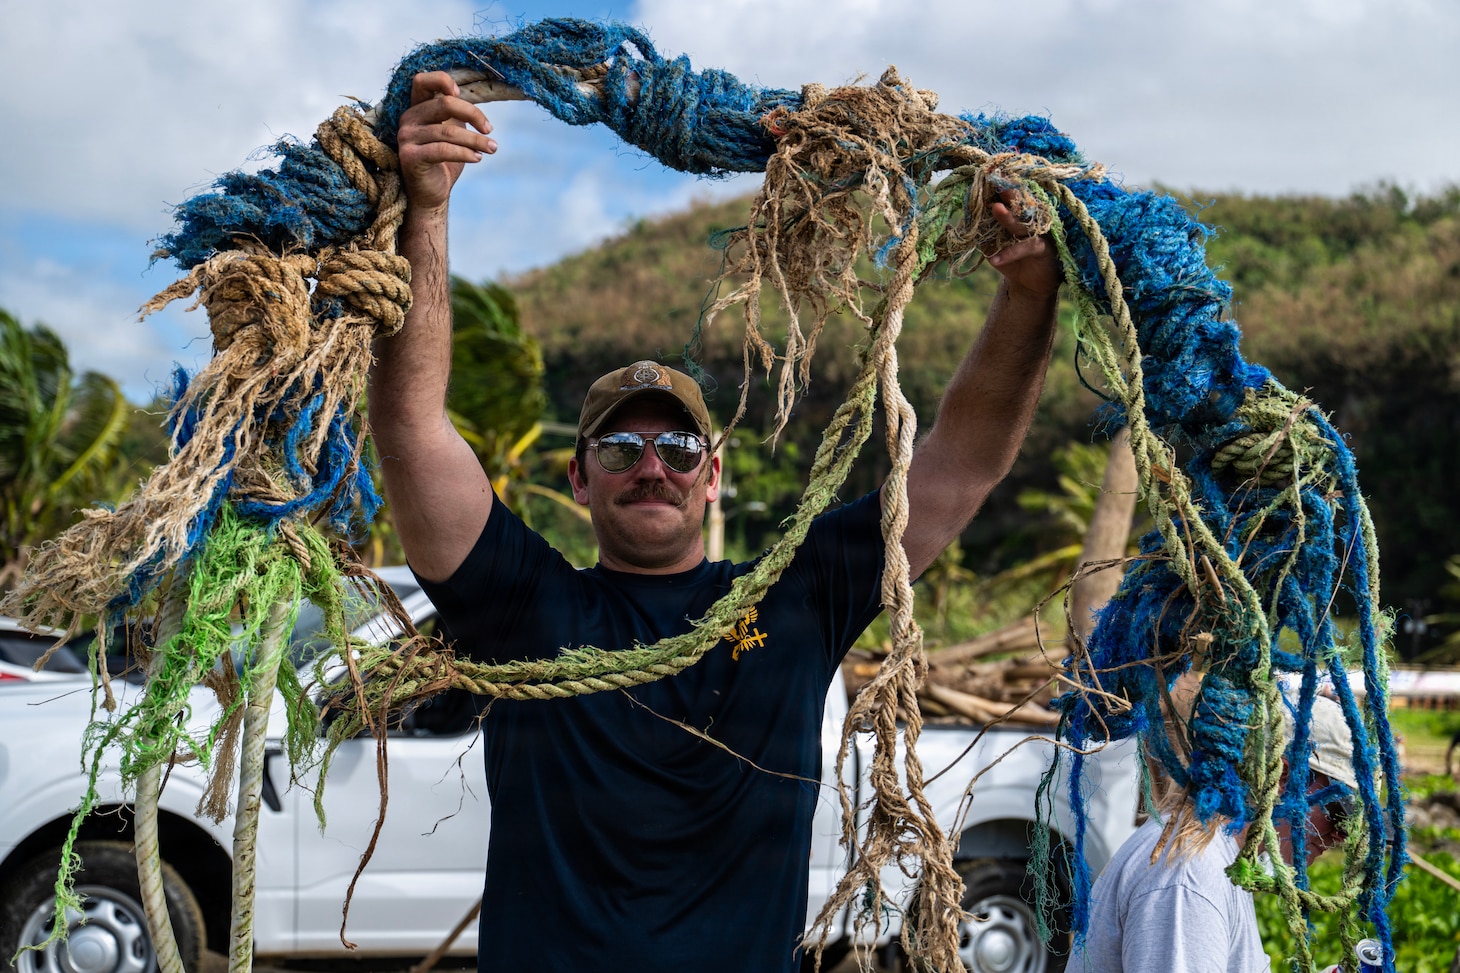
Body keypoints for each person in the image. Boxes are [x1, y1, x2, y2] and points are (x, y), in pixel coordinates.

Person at [368, 71, 1063, 973]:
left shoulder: (796, 599)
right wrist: (426, 211)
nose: (650, 466)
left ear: (713, 475)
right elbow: (413, 427)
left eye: (678, 449)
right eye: (619, 450)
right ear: (578, 480)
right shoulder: (521, 609)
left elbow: (961, 463)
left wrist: (1030, 293)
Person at [1074, 678, 1361, 973]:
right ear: (1282, 777)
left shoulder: (1216, 858)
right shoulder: (1191, 876)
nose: (1340, 835)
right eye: (1337, 811)